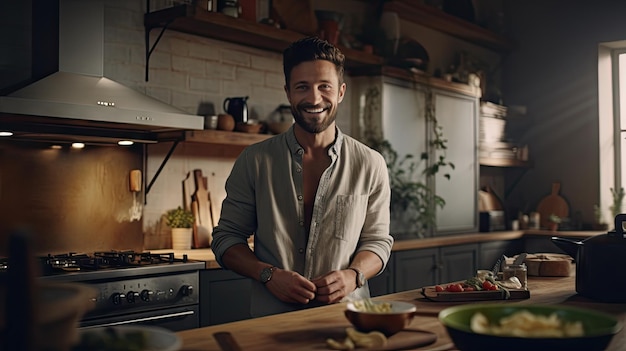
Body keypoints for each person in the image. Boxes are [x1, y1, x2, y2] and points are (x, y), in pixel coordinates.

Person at [211, 36, 393, 317]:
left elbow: (378, 242)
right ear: (288, 92)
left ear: (341, 91)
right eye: (302, 87)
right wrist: (267, 275)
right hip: (271, 324)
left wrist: (353, 275)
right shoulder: (255, 160)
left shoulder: (371, 164)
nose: (314, 98)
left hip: (347, 319)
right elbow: (227, 239)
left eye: (325, 87)